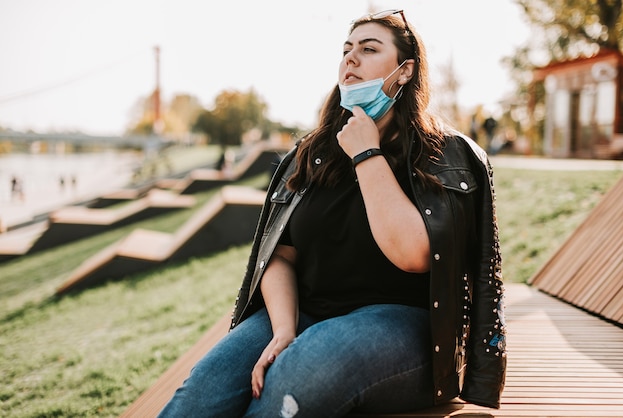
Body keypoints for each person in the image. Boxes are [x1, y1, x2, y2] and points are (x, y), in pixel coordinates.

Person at [158, 9, 506, 418]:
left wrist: (367, 152)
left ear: (405, 71)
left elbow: (412, 254)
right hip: (306, 313)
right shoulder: (314, 152)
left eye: (368, 49)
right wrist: (285, 328)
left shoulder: (444, 154)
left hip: (407, 329)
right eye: (346, 50)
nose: (350, 59)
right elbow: (280, 254)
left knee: (300, 373)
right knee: (200, 395)